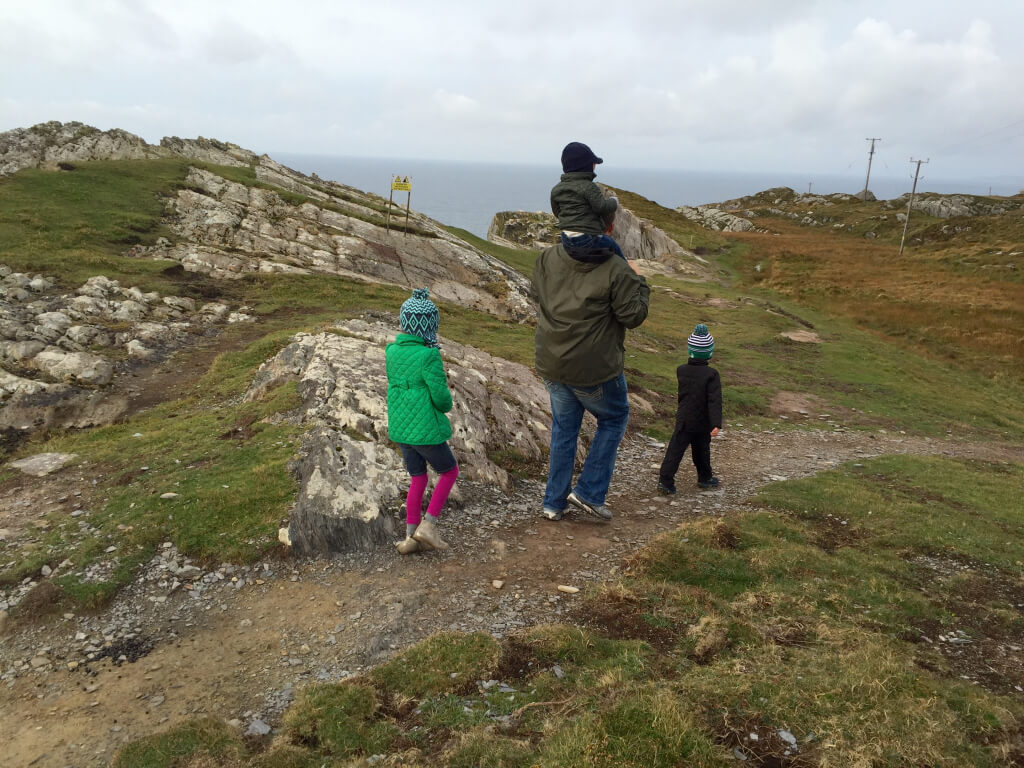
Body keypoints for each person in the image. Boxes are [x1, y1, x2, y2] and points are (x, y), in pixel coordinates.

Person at [531, 191, 650, 522]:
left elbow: (537, 294)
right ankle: (588, 492)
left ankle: (553, 503)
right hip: (595, 370)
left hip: (552, 363)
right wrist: (640, 281)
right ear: (609, 227)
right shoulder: (616, 268)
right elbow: (634, 316)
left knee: (564, 430)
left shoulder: (547, 257)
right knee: (614, 418)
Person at [385, 288, 459, 553]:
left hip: (401, 429)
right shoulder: (428, 355)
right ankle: (428, 525)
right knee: (449, 472)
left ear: (404, 322)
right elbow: (442, 399)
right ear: (430, 326)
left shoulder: (391, 351)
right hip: (426, 430)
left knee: (418, 478)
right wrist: (445, 403)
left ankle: (408, 538)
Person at [657, 324, 722, 494]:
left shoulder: (681, 371)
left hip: (684, 418)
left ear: (690, 350)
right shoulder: (711, 374)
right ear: (709, 352)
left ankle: (665, 481)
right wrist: (716, 423)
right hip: (702, 422)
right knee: (701, 451)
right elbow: (714, 401)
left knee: (675, 450)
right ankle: (705, 478)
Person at [550, 141, 627, 262]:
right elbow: (601, 207)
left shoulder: (557, 189)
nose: (595, 165)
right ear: (585, 166)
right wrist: (614, 202)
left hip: (566, 240)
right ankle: (627, 272)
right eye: (593, 163)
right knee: (614, 248)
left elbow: (557, 212)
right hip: (588, 239)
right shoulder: (588, 186)